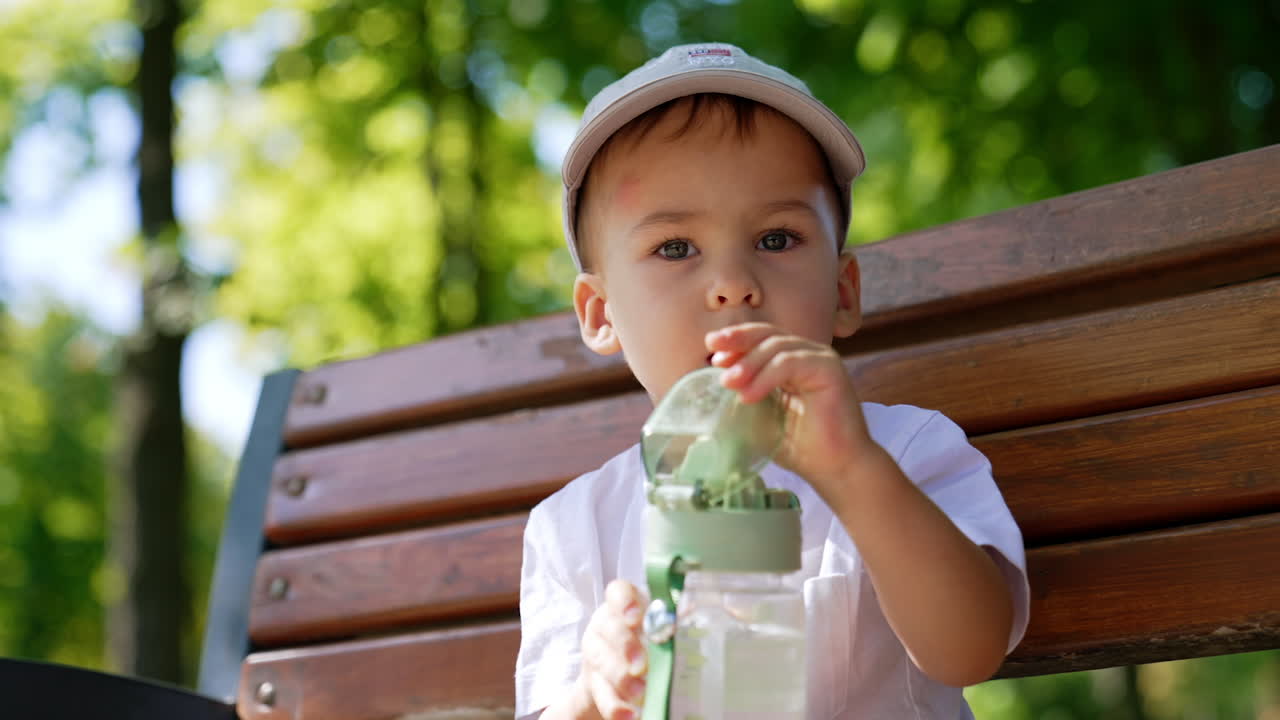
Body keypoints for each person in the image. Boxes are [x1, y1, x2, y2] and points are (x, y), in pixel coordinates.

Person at [515, 42, 1030, 720]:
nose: (733, 285)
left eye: (777, 239)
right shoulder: (574, 529)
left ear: (844, 292)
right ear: (601, 313)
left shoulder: (902, 449)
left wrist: (853, 473)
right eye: (675, 248)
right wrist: (592, 695)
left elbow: (971, 650)